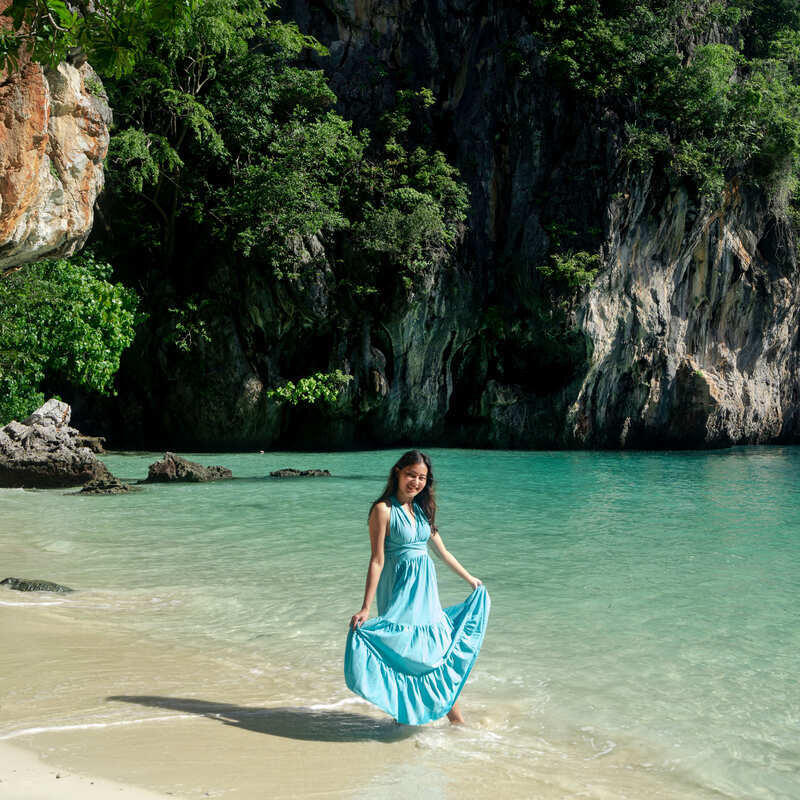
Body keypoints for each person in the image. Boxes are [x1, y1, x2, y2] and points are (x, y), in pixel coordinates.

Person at [344, 450, 490, 725]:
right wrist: (366, 607)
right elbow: (377, 560)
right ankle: (436, 720)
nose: (416, 482)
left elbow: (442, 552)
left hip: (425, 591)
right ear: (398, 472)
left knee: (435, 653)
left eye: (422, 477)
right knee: (410, 654)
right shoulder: (383, 510)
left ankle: (433, 720)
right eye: (411, 474)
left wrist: (469, 578)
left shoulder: (422, 509)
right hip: (400, 590)